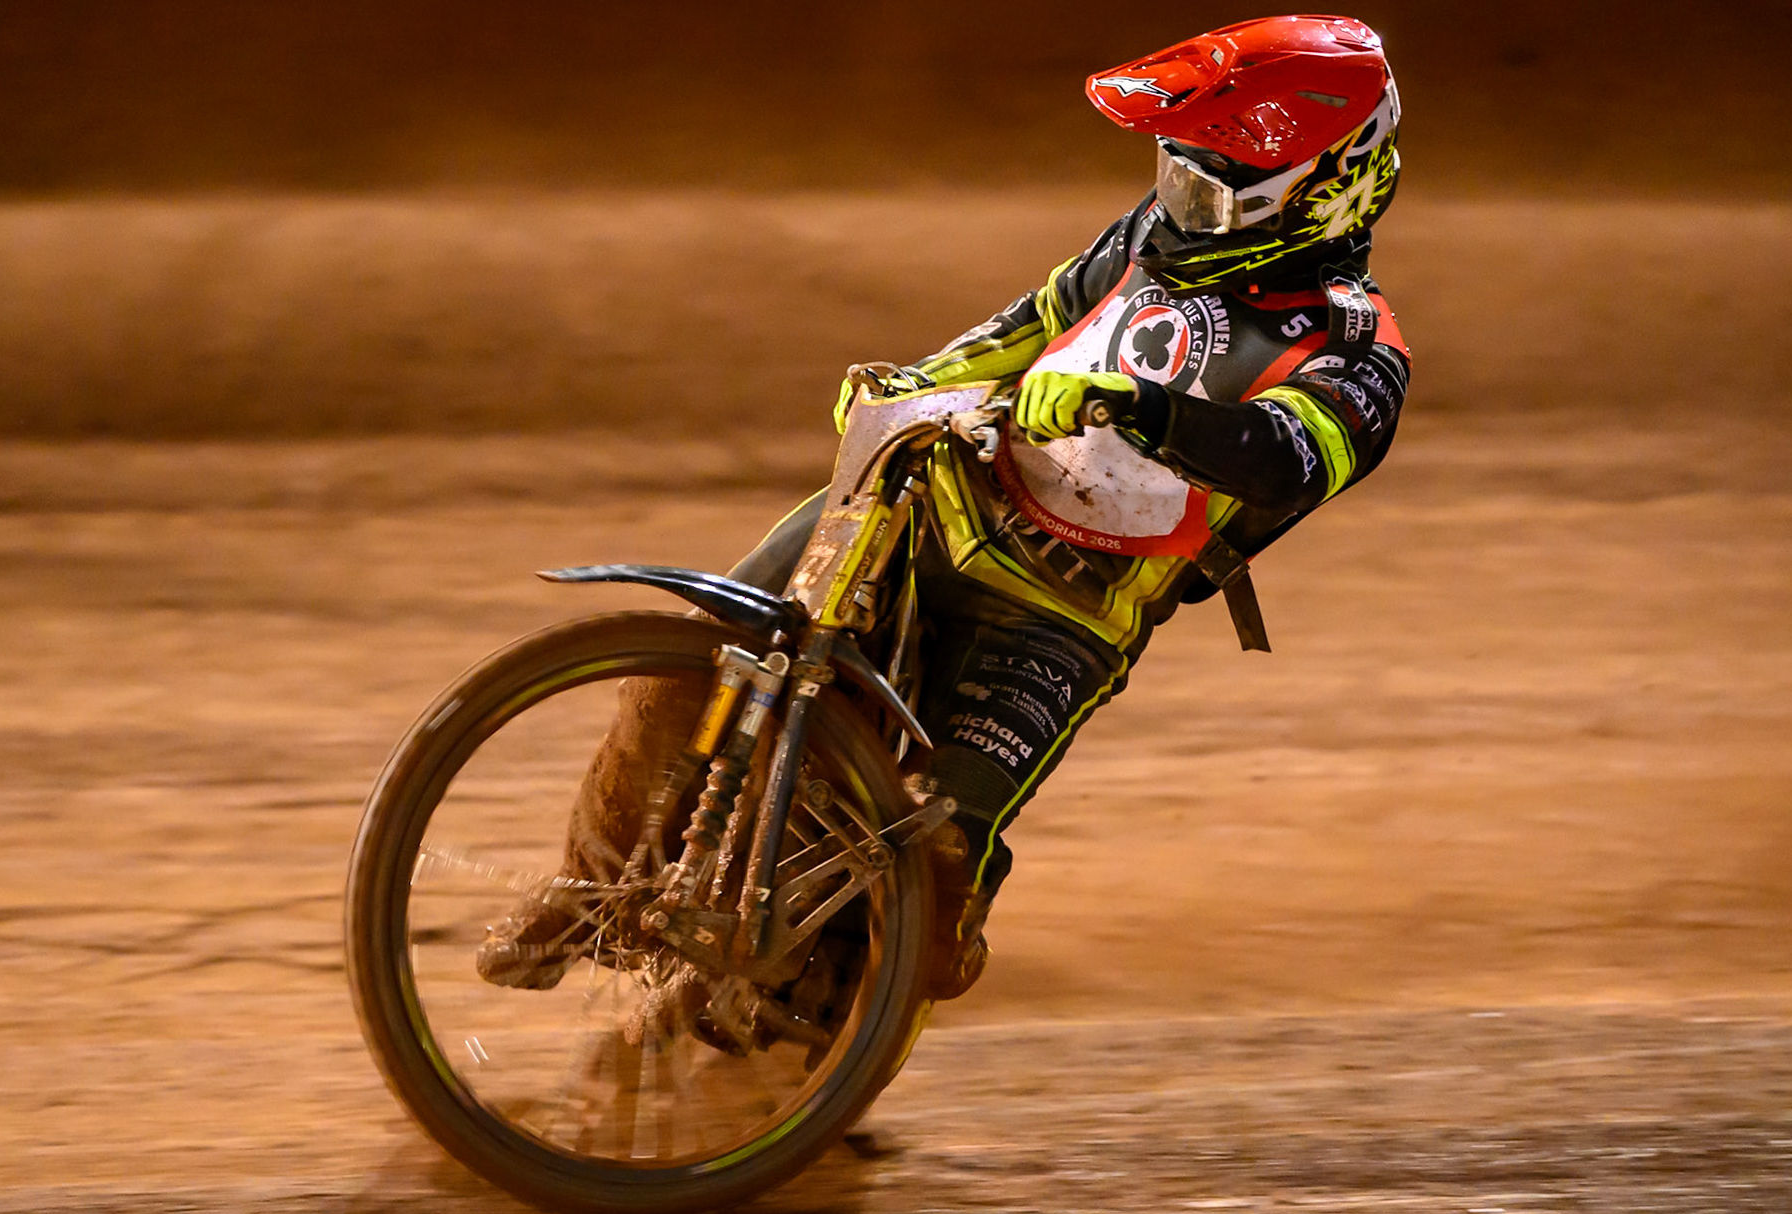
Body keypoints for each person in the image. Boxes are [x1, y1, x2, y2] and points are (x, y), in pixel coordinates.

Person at [479, 14, 1410, 1002]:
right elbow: (1039, 317)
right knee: (701, 660)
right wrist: (916, 380)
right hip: (929, 501)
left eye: (1209, 189)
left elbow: (1287, 458)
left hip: (1060, 617)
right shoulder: (1149, 235)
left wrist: (1140, 407)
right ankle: (593, 888)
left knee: (931, 863)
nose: (1179, 204)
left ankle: (824, 1019)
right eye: (1175, 173)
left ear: (1320, 190)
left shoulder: (1359, 349)